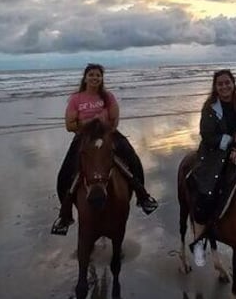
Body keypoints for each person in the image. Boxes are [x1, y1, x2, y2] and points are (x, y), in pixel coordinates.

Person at [51, 63, 158, 235]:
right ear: (85, 78)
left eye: (98, 75)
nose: (94, 78)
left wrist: (101, 125)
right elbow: (69, 125)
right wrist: (91, 121)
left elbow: (114, 121)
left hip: (108, 135)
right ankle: (65, 215)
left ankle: (143, 196)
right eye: (91, 75)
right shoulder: (76, 99)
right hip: (84, 139)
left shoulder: (108, 97)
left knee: (133, 159)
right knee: (65, 173)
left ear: (102, 79)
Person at [189, 69, 236, 265]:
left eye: (227, 82)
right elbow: (207, 135)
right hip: (215, 153)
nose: (224, 87)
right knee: (207, 193)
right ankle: (198, 240)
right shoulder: (209, 107)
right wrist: (230, 141)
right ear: (215, 87)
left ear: (233, 83)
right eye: (220, 84)